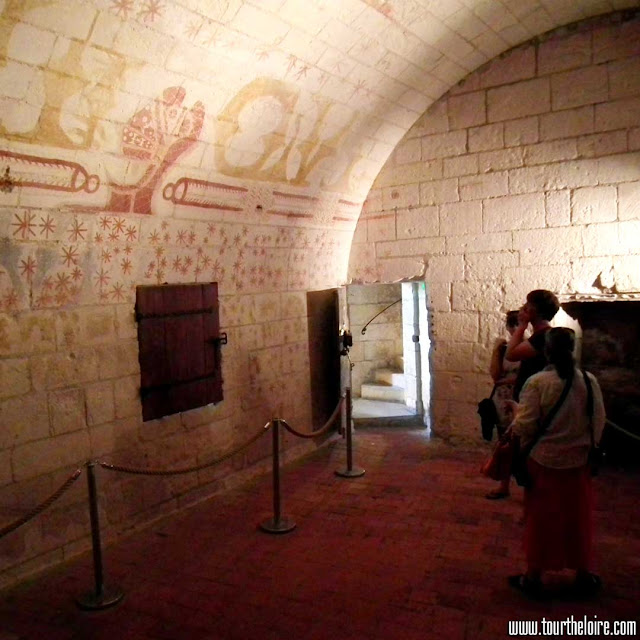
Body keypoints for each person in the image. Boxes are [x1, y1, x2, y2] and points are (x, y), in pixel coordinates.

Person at [507, 327, 606, 599]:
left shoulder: (538, 382)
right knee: (577, 518)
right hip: (577, 462)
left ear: (546, 351)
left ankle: (533, 577)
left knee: (541, 519)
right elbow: (598, 422)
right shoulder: (589, 380)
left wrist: (515, 412)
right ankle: (583, 574)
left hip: (544, 462)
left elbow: (525, 426)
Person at [485, 310, 520, 500]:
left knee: (523, 442)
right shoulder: (504, 347)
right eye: (511, 324)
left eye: (517, 323)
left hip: (522, 397)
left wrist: (510, 381)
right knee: (504, 441)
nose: (514, 328)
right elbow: (495, 374)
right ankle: (504, 485)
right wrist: (496, 350)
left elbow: (529, 376)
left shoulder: (530, 347)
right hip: (502, 398)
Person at [505, 289, 560, 401]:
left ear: (533, 309)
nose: (523, 307)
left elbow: (510, 355)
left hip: (534, 399)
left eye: (527, 304)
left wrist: (522, 325)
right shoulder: (543, 334)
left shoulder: (542, 336)